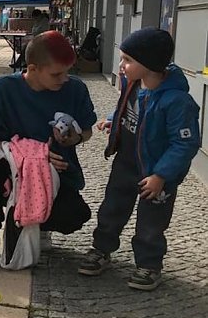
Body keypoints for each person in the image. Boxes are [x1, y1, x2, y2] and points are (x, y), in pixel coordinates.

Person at [79, 28, 200, 291]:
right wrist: (114, 121)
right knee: (111, 209)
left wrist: (161, 176)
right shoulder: (133, 85)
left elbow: (185, 142)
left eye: (127, 60)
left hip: (156, 173)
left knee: (151, 222)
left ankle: (149, 265)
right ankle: (101, 250)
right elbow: (128, 109)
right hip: (126, 163)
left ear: (150, 64)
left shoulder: (177, 101)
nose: (121, 66)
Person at [0, 31, 96, 270]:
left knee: (75, 215)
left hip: (55, 174)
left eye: (68, 71)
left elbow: (87, 130)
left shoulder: (75, 89)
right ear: (33, 68)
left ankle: (39, 224)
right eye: (57, 73)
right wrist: (34, 155)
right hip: (10, 170)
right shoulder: (3, 90)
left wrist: (73, 138)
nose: (65, 79)